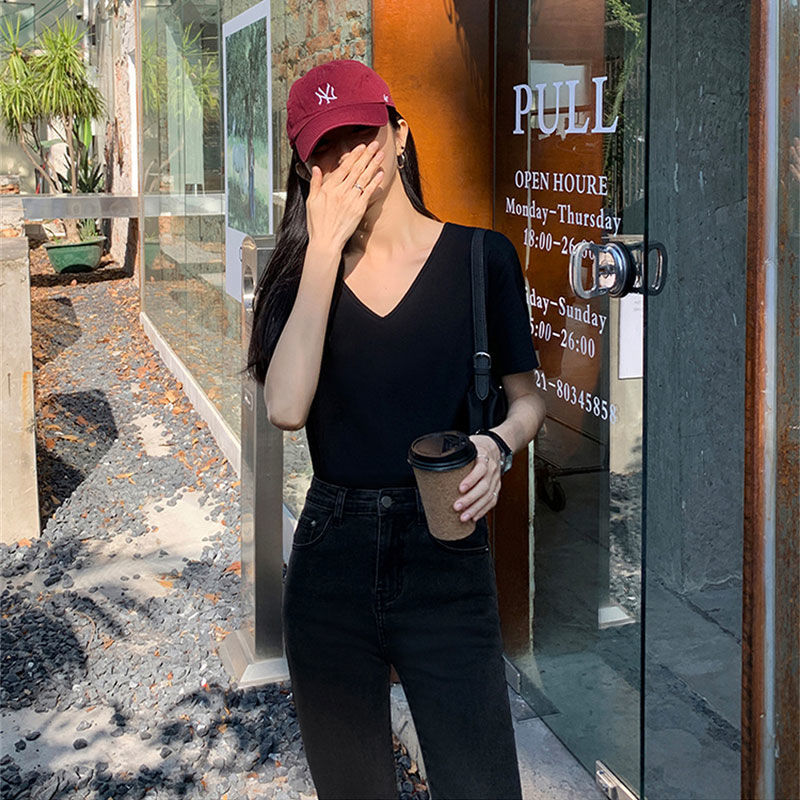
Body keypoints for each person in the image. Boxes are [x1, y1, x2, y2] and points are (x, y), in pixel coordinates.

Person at [245, 58, 546, 800]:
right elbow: (285, 408)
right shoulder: (298, 276)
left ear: (400, 134)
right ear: (306, 170)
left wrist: (496, 444)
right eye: (325, 149)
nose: (348, 159)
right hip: (332, 557)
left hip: (446, 552)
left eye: (361, 134)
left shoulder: (481, 258)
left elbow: (528, 402)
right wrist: (323, 249)